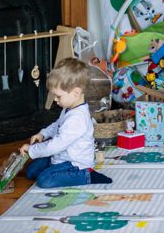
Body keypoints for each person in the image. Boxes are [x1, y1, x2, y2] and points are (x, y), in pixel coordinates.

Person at [19, 57, 112, 188]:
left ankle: (87, 176)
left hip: (75, 164)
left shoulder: (78, 119)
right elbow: (58, 124)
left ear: (76, 93)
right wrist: (43, 134)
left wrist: (32, 149)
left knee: (44, 180)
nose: (55, 100)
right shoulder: (69, 108)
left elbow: (55, 146)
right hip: (61, 157)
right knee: (31, 172)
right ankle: (53, 168)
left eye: (58, 96)